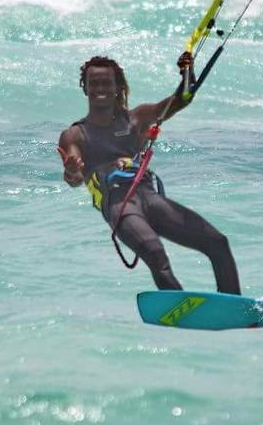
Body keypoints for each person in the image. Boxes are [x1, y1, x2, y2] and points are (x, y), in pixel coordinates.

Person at [57, 52, 241, 294]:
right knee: (155, 253)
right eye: (94, 83)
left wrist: (188, 72)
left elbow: (180, 100)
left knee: (218, 243)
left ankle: (234, 307)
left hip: (150, 197)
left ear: (117, 87)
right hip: (119, 206)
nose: (99, 88)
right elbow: (75, 179)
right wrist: (72, 171)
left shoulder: (137, 119)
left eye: (106, 82)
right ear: (85, 88)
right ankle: (178, 308)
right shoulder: (75, 135)